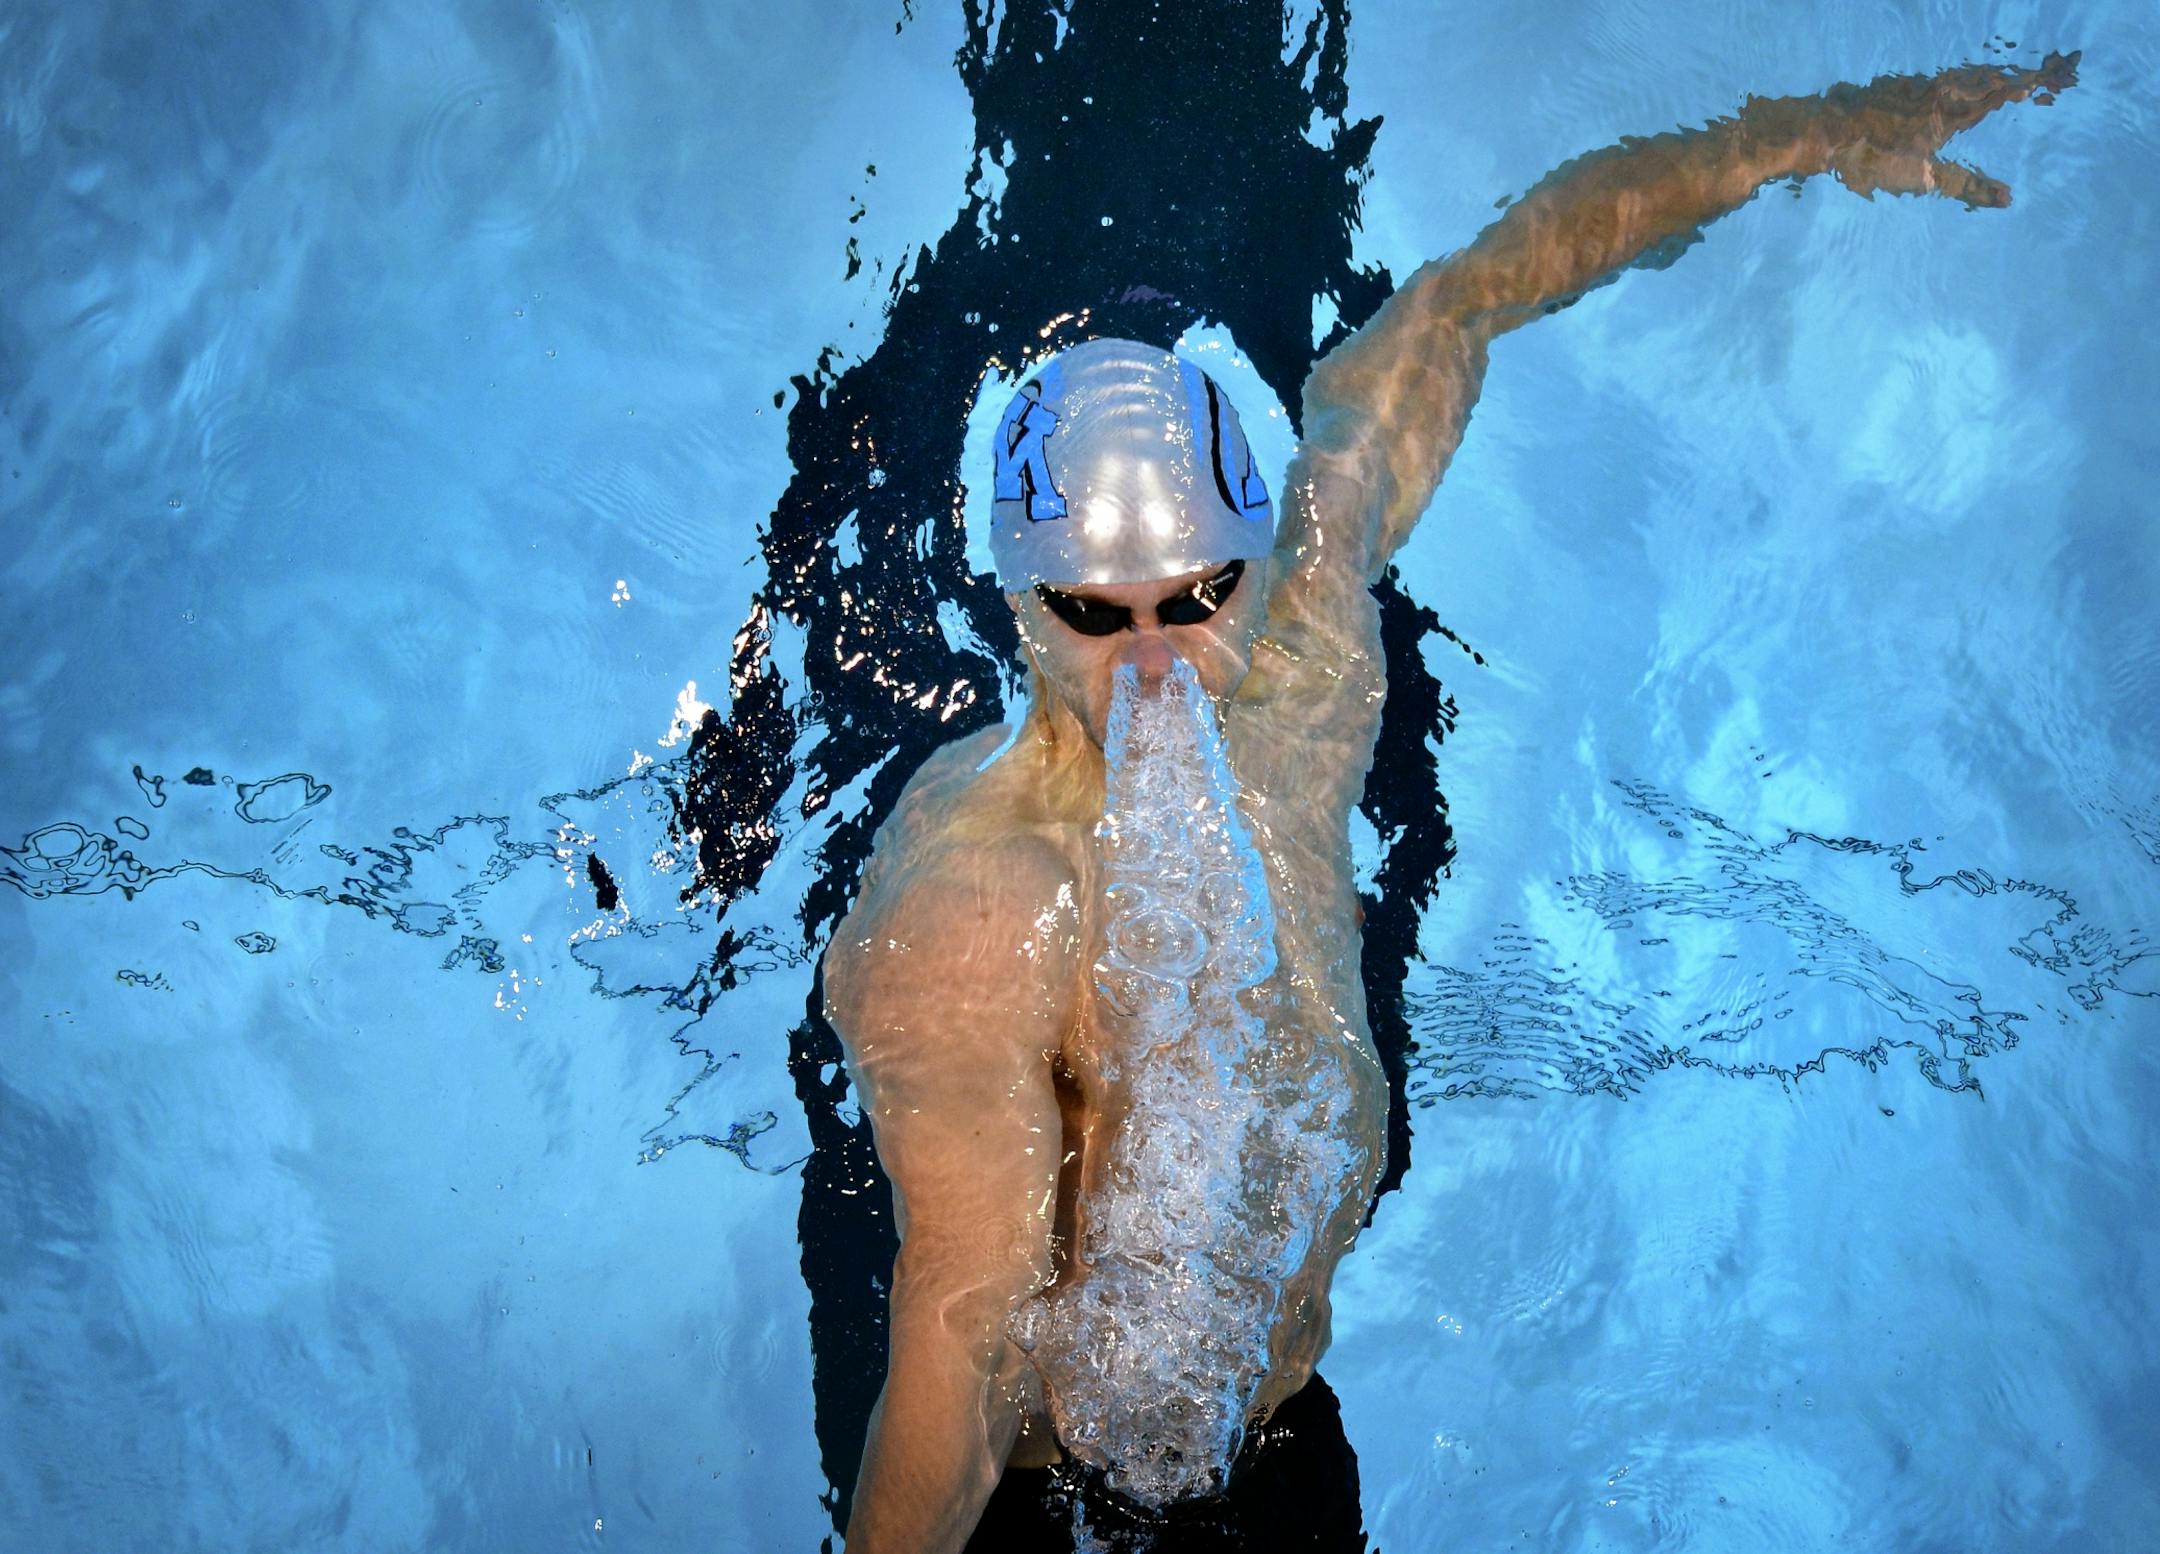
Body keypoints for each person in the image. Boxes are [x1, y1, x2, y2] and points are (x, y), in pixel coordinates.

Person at [821, 52, 2076, 1553]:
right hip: (1048, 1497)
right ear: (1024, 612)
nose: (1154, 668)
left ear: (1260, 557)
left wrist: (1807, 137)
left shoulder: (1311, 630)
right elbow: (958, 1344)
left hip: (1279, 1413)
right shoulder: (976, 907)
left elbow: (1471, 297)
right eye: (1096, 617)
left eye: (1197, 597)